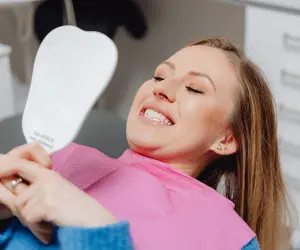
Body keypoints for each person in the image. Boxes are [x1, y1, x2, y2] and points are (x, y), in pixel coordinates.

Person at [0, 37, 292, 250]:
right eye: (159, 76)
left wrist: (97, 231)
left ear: (227, 139)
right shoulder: (58, 162)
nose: (162, 88)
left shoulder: (227, 238)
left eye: (194, 88)